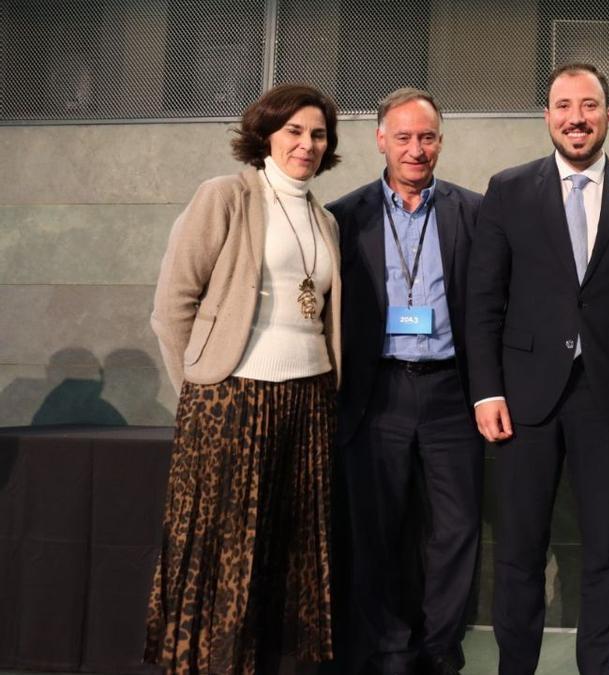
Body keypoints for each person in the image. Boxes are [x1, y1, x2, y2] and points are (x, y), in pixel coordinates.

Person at [466, 62, 609, 675]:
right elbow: (484, 302)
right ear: (547, 116)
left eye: (590, 105)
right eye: (564, 106)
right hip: (524, 399)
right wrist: (486, 392)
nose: (577, 118)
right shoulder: (509, 189)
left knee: (606, 552)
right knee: (519, 552)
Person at [146, 83, 342, 674]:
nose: (306, 144)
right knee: (226, 550)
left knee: (291, 549)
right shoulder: (226, 195)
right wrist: (201, 390)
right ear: (265, 135)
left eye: (318, 134)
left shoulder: (324, 218)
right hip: (233, 397)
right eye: (294, 132)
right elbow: (172, 304)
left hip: (309, 399)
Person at [325, 88, 483, 675]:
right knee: (377, 527)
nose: (415, 149)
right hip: (376, 394)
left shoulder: (474, 211)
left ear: (440, 141)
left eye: (427, 137)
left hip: (452, 392)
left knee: (457, 528)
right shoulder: (344, 217)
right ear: (380, 140)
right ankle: (389, 646)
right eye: (404, 137)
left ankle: (440, 644)